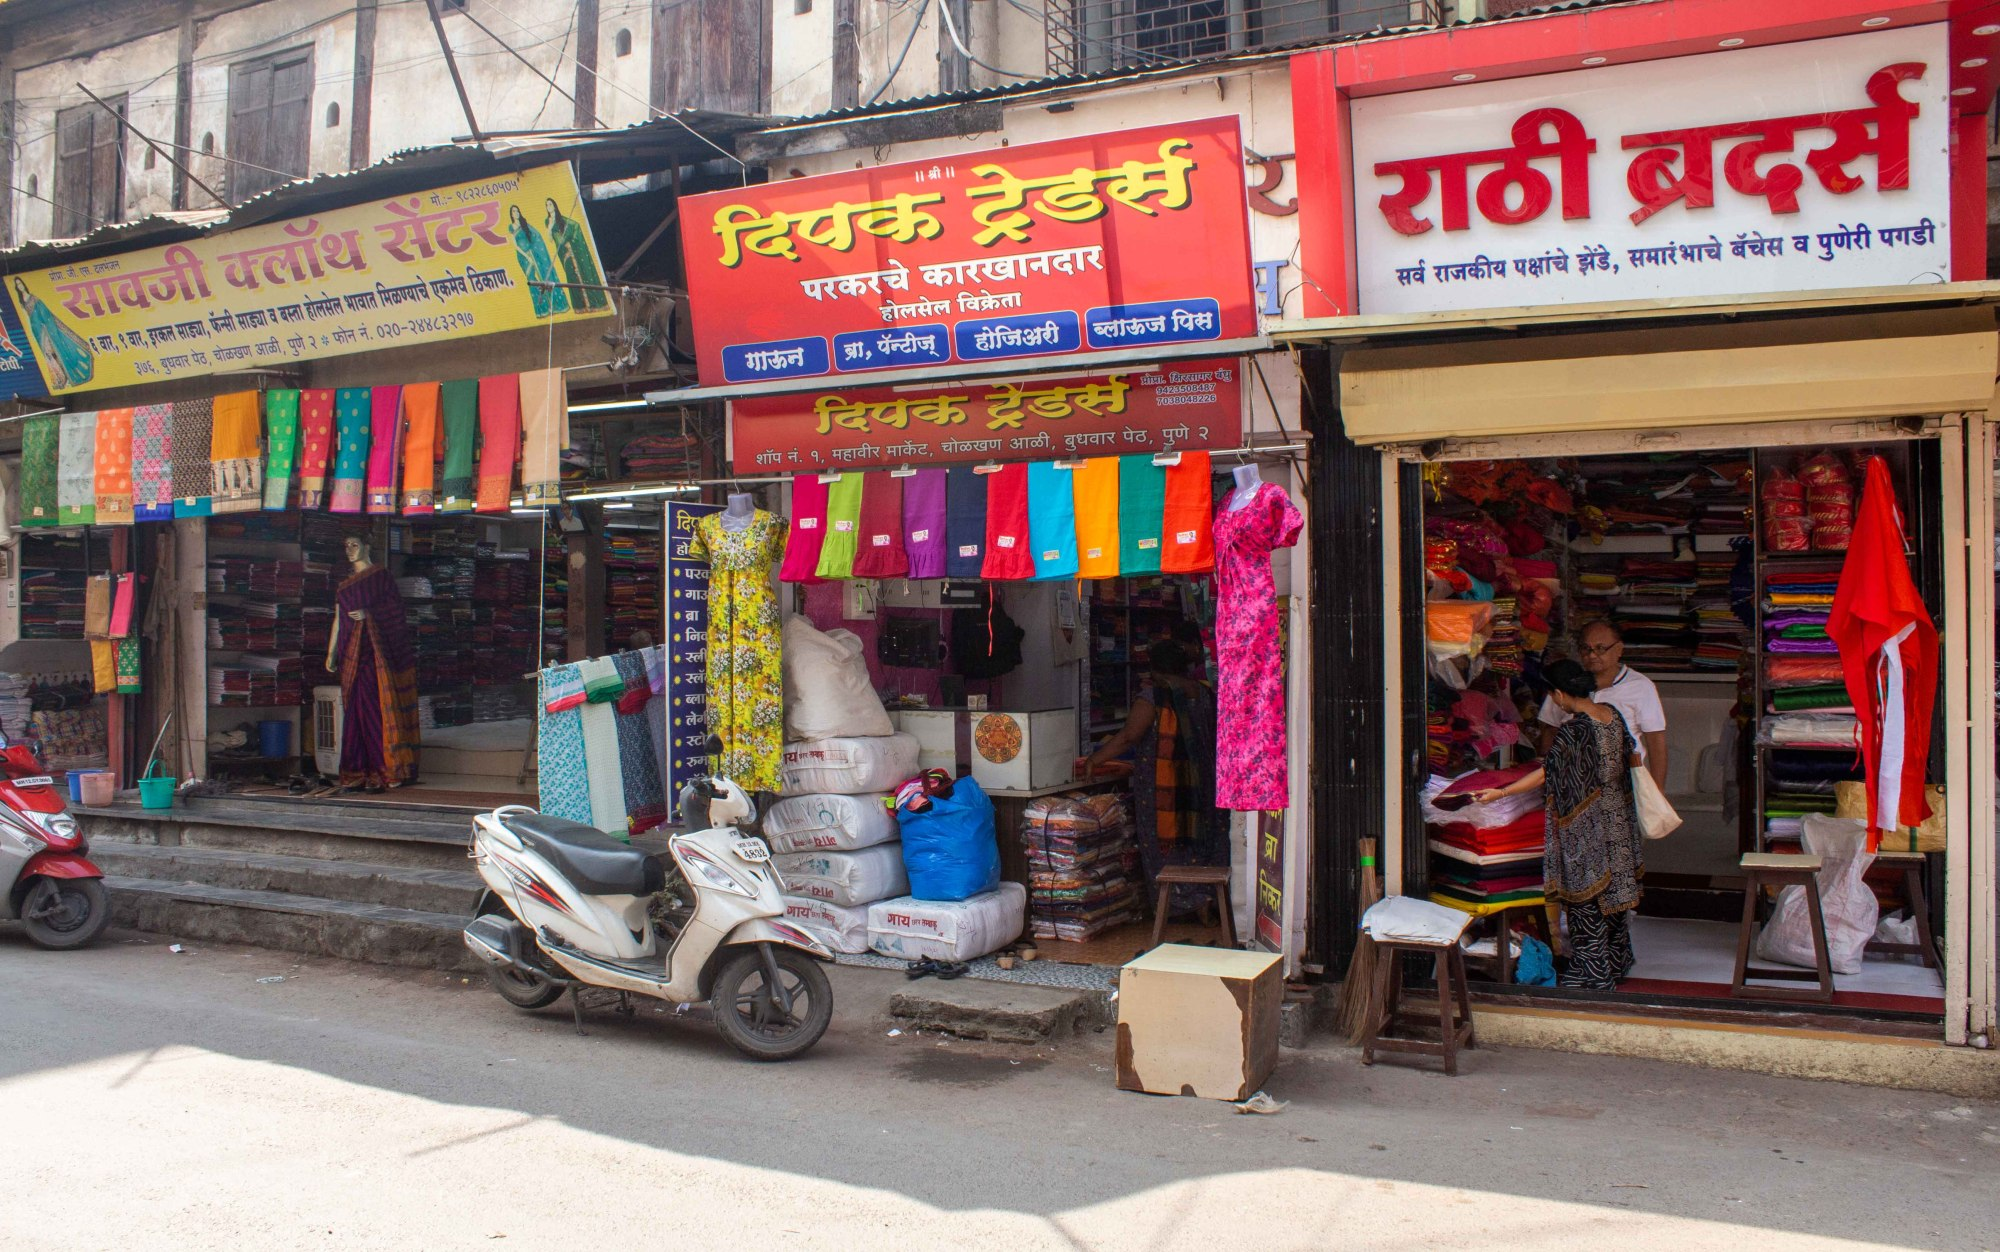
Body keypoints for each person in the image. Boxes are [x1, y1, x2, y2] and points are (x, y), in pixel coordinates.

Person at [1474, 659, 1644, 990]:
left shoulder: (1573, 730)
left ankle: (1593, 973)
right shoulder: (1611, 715)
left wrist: (1501, 792)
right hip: (1618, 819)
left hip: (1585, 823)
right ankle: (1616, 961)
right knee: (1612, 898)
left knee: (1586, 899)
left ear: (1559, 694)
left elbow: (1546, 772)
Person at [1082, 640, 1226, 902]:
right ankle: (1206, 900)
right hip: (1203, 780)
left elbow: (1129, 736)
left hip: (1165, 785)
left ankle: (1178, 904)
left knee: (1166, 838)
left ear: (1154, 669)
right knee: (1201, 837)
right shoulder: (1203, 693)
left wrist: (1095, 759)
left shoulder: (1153, 698)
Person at [325, 536, 420, 791]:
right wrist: (331, 654)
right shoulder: (344, 586)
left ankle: (387, 768)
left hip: (375, 655)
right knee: (354, 713)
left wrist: (369, 614)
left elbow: (395, 612)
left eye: (354, 545)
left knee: (375, 710)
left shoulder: (381, 577)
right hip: (350, 655)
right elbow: (338, 620)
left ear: (368, 547)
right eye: (346, 546)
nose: (349, 550)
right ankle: (357, 771)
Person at [1536, 619, 1667, 790]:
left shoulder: (1641, 686)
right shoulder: (1566, 681)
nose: (1592, 655)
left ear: (1619, 649)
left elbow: (1656, 742)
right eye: (1586, 649)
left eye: (1600, 648)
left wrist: (1657, 794)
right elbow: (1549, 732)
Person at [544, 197, 609, 311]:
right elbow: (551, 239)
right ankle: (581, 306)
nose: (549, 206)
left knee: (583, 273)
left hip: (573, 251)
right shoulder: (547, 221)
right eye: (547, 205)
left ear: (554, 205)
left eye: (550, 204)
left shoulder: (563, 220)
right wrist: (549, 227)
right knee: (571, 276)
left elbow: (575, 226)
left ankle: (594, 304)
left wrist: (568, 240)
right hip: (563, 254)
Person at [508, 206, 570, 319]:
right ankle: (543, 309)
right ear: (511, 214)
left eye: (517, 211)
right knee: (532, 281)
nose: (516, 213)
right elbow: (515, 246)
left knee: (544, 277)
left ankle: (556, 306)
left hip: (536, 255)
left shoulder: (526, 225)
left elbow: (537, 238)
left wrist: (534, 253)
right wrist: (527, 256)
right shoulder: (511, 227)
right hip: (524, 258)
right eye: (513, 211)